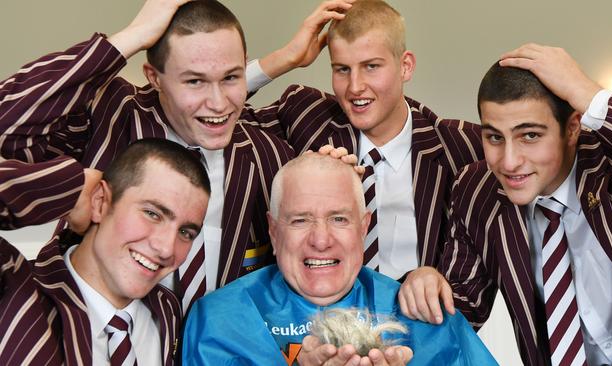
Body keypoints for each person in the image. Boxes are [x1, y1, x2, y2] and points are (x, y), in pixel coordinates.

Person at [0, 0, 363, 313]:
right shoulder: (112, 114)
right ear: (154, 78)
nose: (219, 104)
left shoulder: (267, 151)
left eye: (232, 78)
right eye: (194, 82)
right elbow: (8, 127)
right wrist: (132, 36)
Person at [241, 0, 482, 324]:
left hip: (420, 343)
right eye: (342, 69)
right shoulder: (303, 116)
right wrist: (286, 58)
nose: (355, 87)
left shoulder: (461, 145)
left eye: (371, 66)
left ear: (405, 66)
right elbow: (208, 115)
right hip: (305, 339)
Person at [437, 44, 612, 365]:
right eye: (494, 137)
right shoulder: (474, 190)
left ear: (573, 127)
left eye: (530, 136)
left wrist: (592, 95)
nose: (509, 162)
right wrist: (426, 286)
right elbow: (462, 306)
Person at [182, 153, 497, 366]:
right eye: (300, 220)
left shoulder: (423, 313)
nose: (321, 240)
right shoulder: (218, 320)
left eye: (339, 219)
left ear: (363, 228)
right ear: (274, 232)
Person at [0, 138, 210, 365]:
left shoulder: (169, 310)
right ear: (100, 201)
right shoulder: (12, 288)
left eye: (186, 233)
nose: (167, 248)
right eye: (152, 214)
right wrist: (74, 186)